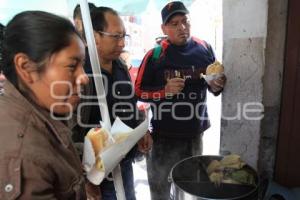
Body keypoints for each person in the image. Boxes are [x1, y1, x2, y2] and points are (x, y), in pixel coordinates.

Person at [135, 1, 227, 199]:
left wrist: (216, 85)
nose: (182, 27)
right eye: (175, 24)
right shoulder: (155, 56)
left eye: (185, 21)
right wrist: (164, 91)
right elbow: (138, 91)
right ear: (164, 28)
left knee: (189, 186)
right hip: (163, 138)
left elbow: (213, 83)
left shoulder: (204, 48)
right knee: (160, 190)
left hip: (194, 136)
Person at [0, 11, 90, 199]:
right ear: (26, 67)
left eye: (83, 65)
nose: (84, 77)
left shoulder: (45, 110)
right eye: (72, 66)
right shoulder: (23, 157)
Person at [73, 6, 152, 200]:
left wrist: (142, 130)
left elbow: (130, 105)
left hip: (123, 161)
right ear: (95, 36)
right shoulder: (80, 73)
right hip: (95, 173)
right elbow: (70, 129)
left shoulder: (120, 66)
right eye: (116, 37)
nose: (122, 43)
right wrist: (84, 179)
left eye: (124, 36)